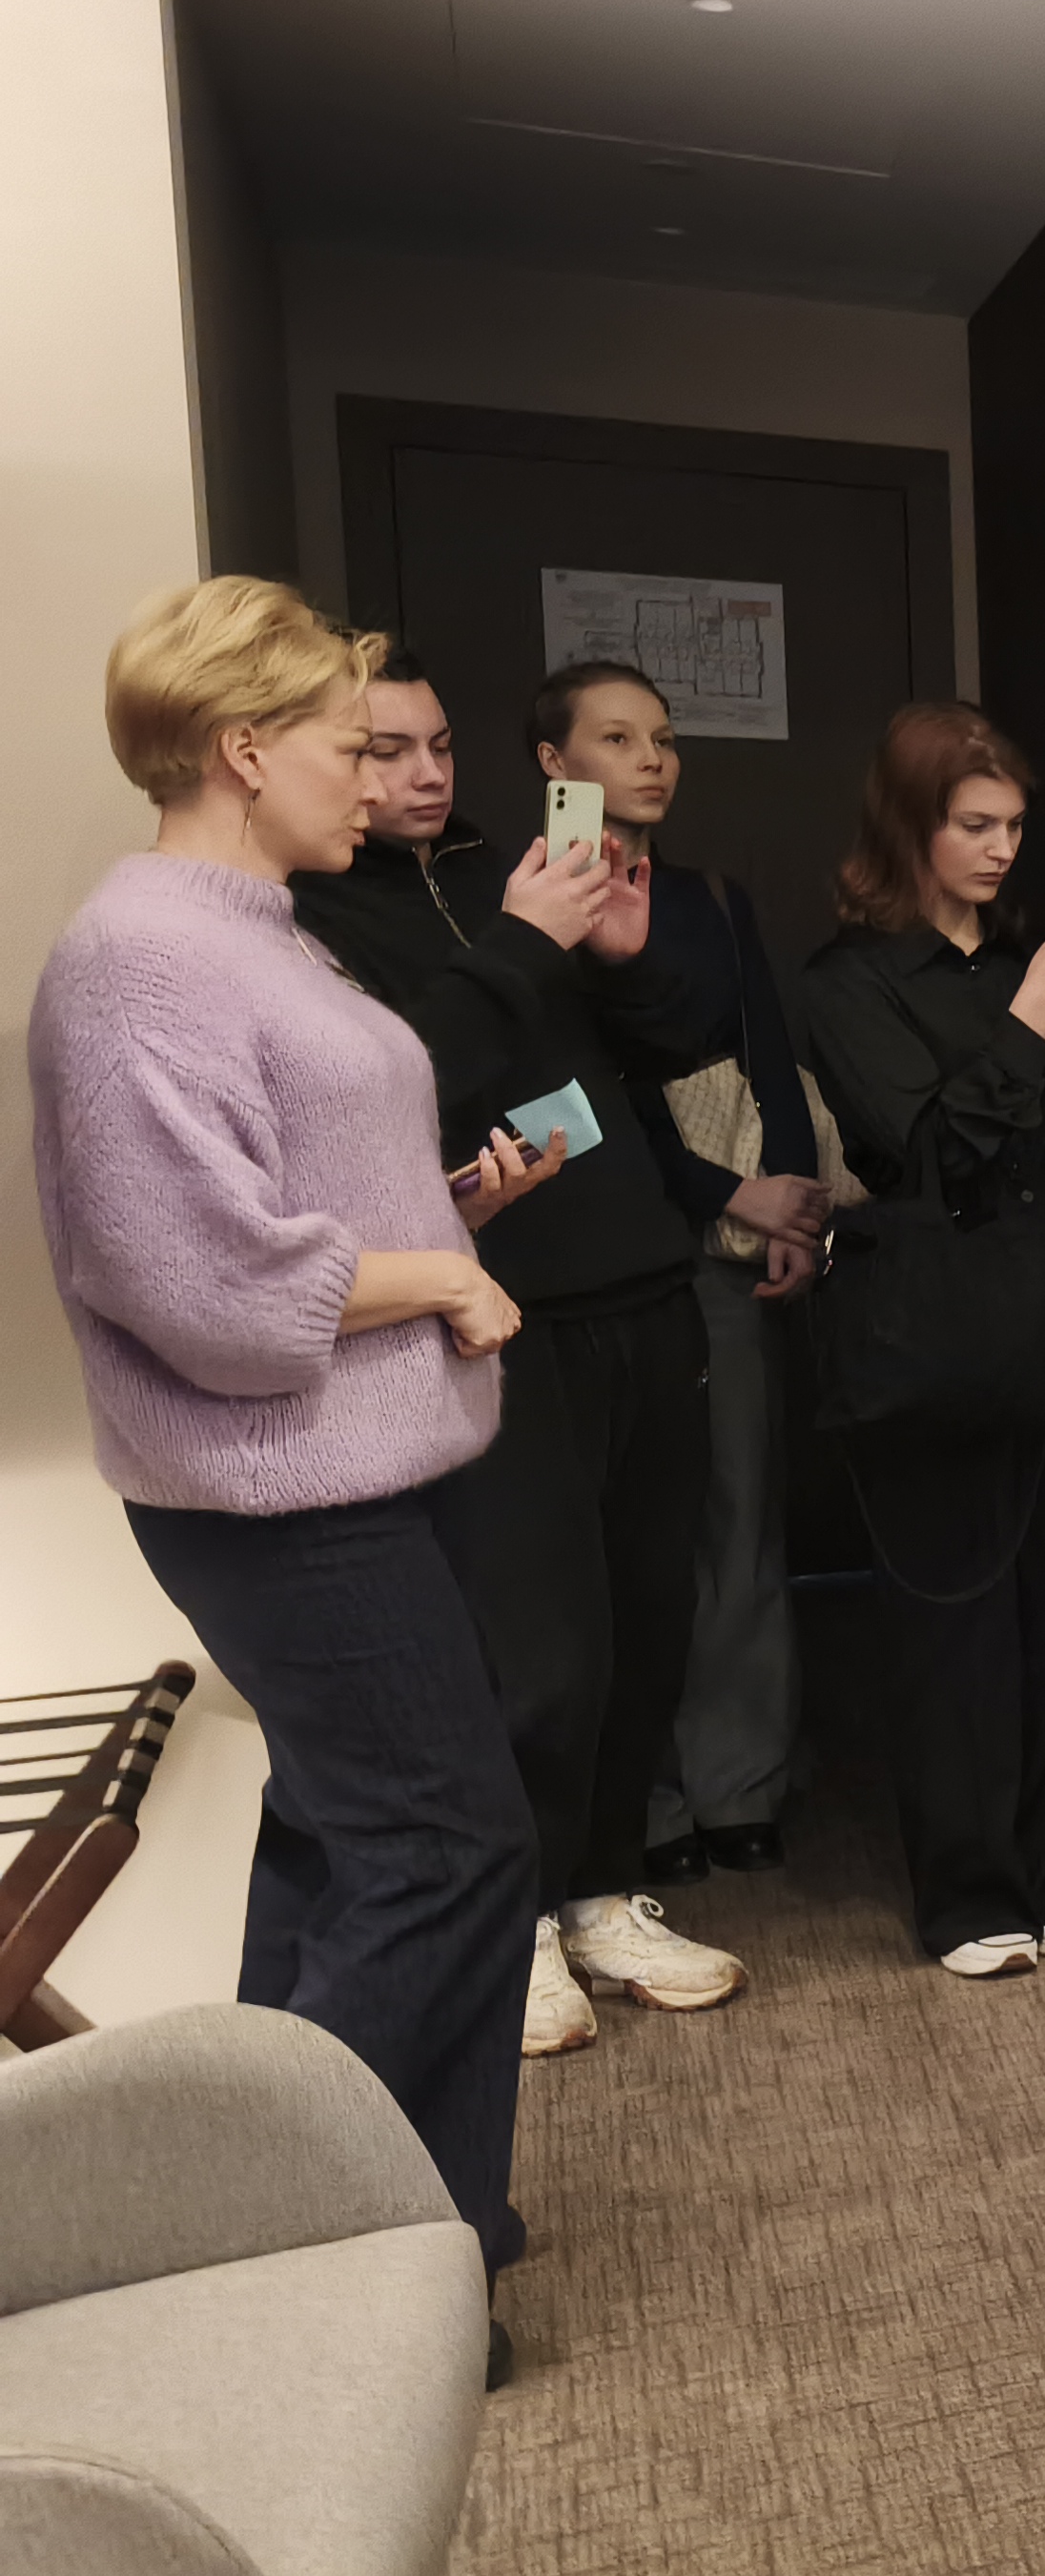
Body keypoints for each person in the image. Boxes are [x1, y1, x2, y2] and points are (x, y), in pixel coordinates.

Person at [31, 578, 565, 2279]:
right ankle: (282, 2238)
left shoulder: (264, 930)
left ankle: (404, 2243)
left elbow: (280, 1201)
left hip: (359, 1468)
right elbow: (188, 1272)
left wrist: (448, 1213)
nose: (383, 776)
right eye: (353, 745)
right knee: (446, 1850)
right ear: (243, 749)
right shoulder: (142, 958)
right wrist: (434, 1273)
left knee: (348, 1842)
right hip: (284, 1495)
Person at [295, 652, 749, 2054]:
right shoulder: (310, 913)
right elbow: (396, 1091)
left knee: (650, 1620)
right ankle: (522, 1922)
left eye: (439, 744)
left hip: (641, 1284)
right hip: (497, 1310)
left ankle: (605, 1894)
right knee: (540, 1647)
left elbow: (670, 1049)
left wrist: (622, 958)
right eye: (384, 750)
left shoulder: (516, 868)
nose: (425, 773)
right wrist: (524, 942)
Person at [793, 704, 1045, 1979]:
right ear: (911, 827)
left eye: (1013, 825)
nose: (1003, 849)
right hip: (933, 1322)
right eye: (974, 824)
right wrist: (1039, 1005)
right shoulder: (844, 983)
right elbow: (933, 1157)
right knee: (952, 1619)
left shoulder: (1026, 964)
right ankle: (969, 1894)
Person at [626, 834, 830, 1882]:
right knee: (635, 1535)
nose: (649, 761)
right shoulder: (528, 903)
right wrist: (723, 1191)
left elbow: (768, 1052)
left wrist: (790, 1208)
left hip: (725, 1253)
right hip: (613, 1252)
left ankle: (739, 1783)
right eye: (619, 749)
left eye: (660, 749)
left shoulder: (707, 894)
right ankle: (647, 1796)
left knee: (741, 1508)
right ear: (551, 761)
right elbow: (589, 1091)